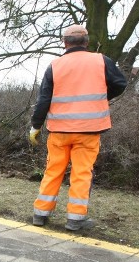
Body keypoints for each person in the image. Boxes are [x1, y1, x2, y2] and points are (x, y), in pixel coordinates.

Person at [28, 24, 127, 231]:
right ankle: (75, 219)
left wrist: (36, 126)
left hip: (59, 131)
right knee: (82, 173)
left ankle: (40, 214)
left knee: (53, 170)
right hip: (88, 130)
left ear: (65, 43)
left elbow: (43, 99)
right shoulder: (101, 61)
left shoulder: (55, 65)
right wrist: (101, 97)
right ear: (87, 42)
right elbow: (120, 83)